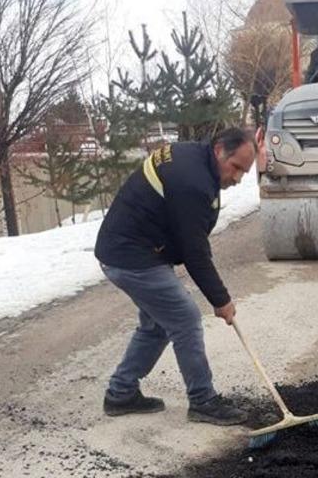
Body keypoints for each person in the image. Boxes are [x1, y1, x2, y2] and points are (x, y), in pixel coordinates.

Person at [94, 128, 257, 426]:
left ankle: (120, 393)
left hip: (132, 248)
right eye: (236, 168)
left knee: (158, 324)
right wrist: (221, 300)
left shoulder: (195, 157)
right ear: (219, 149)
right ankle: (203, 400)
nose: (237, 178)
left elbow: (189, 236)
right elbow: (194, 251)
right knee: (185, 318)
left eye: (244, 173)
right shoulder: (192, 182)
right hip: (130, 254)